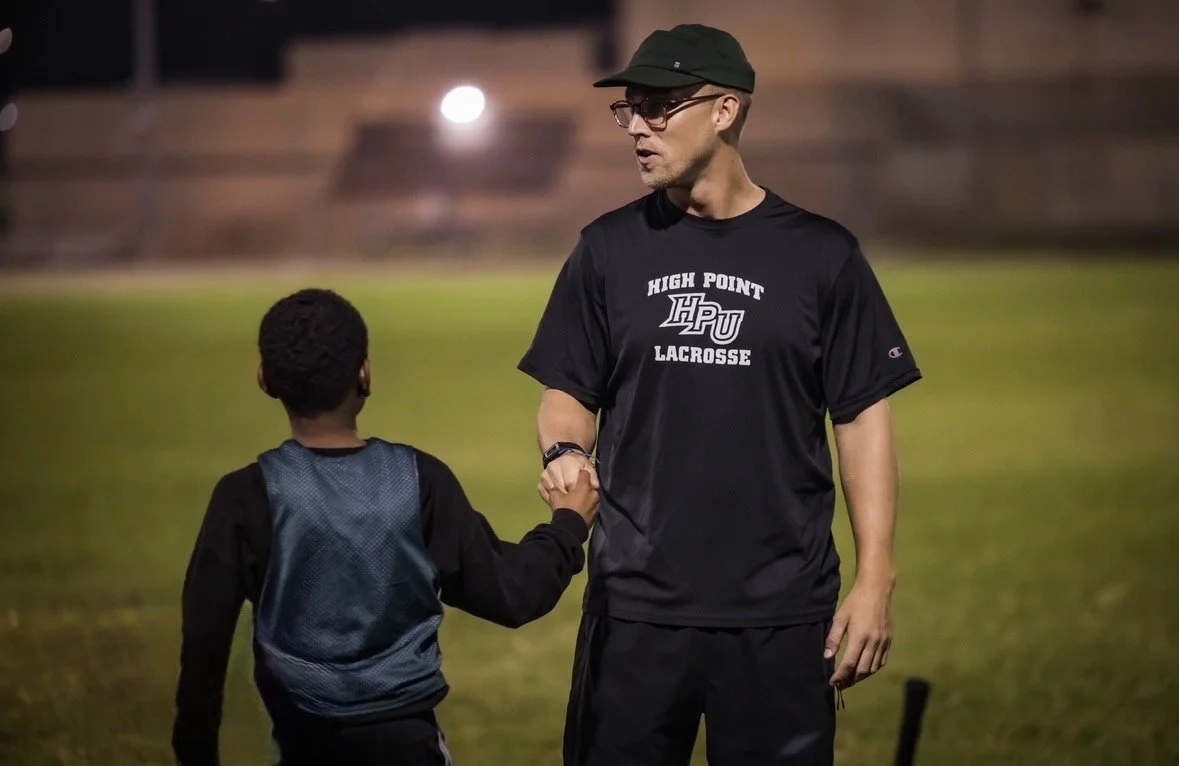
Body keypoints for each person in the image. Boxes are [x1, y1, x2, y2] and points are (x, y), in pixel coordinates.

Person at [517, 23, 923, 766]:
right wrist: (567, 450)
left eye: (659, 106)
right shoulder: (606, 250)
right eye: (629, 109)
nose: (637, 125)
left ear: (725, 110)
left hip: (780, 615)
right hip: (635, 609)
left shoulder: (821, 255)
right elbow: (565, 389)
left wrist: (875, 579)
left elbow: (861, 417)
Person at [171, 288, 598, 766]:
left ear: (265, 379)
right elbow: (512, 593)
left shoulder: (243, 499)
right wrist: (566, 525)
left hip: (301, 743)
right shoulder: (418, 481)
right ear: (364, 373)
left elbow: (203, 658)